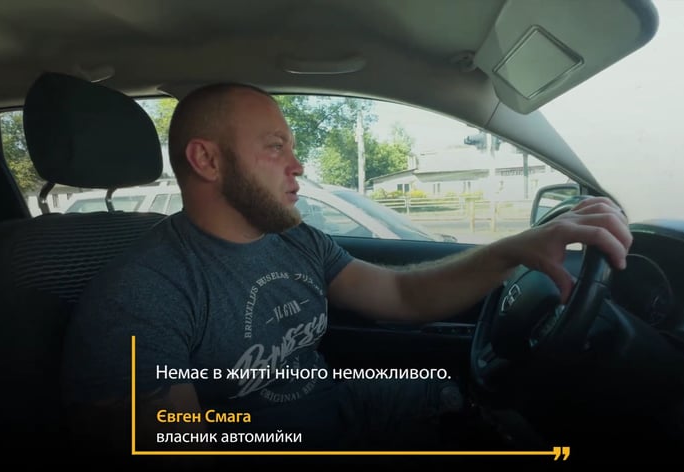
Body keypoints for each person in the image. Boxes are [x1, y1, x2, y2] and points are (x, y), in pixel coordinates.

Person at [60, 83, 632, 460]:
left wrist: (513, 250)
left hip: (342, 404)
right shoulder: (142, 292)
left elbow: (400, 295)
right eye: (275, 146)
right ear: (207, 160)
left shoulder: (296, 240)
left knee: (489, 412)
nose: (298, 164)